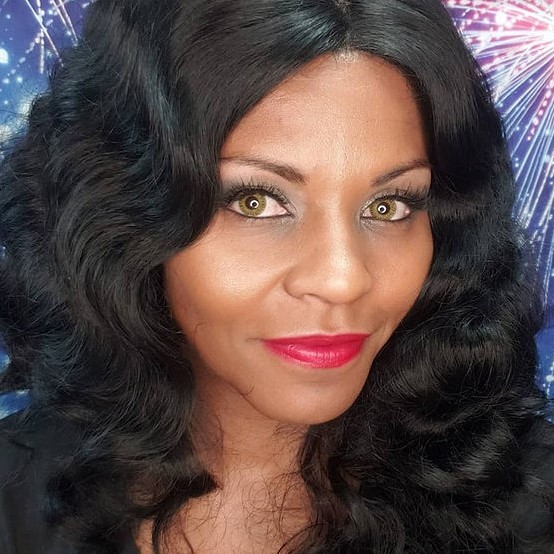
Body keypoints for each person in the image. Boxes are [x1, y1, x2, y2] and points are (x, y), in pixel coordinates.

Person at [0, 0, 553, 552]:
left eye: (389, 206)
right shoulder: (13, 499)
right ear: (123, 215)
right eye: (256, 201)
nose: (343, 279)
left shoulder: (527, 495)